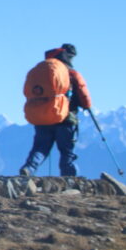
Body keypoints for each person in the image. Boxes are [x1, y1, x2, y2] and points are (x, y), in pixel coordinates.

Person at [19, 43, 91, 177]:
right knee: (66, 150)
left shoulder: (42, 70)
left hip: (43, 116)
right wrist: (86, 106)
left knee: (40, 148)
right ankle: (69, 177)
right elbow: (83, 93)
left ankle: (29, 168)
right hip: (65, 117)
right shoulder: (71, 73)